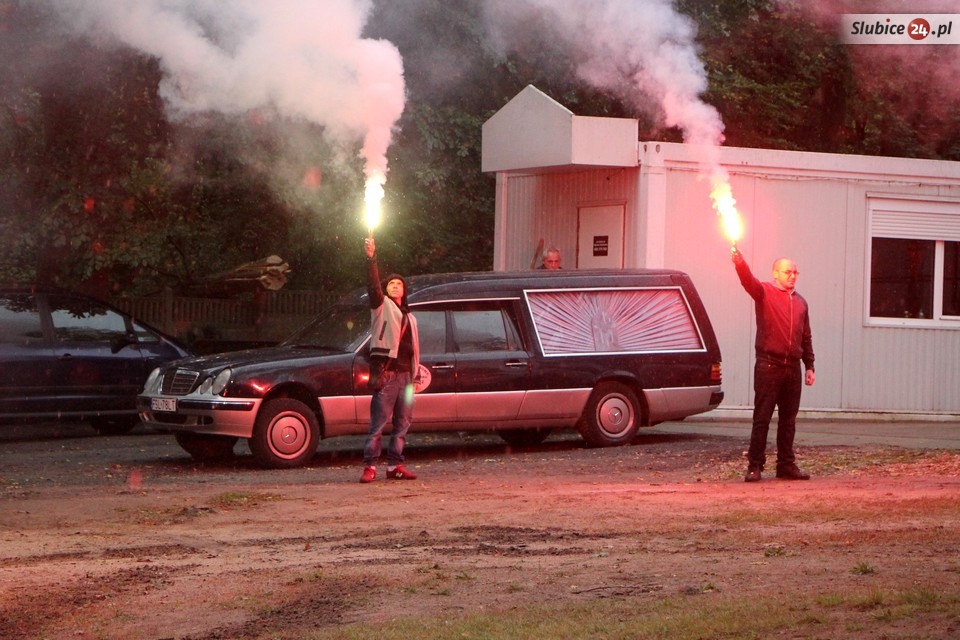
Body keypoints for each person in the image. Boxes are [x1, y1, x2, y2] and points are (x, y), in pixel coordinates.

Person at [731, 247, 815, 482]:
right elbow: (748, 281)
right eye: (788, 272)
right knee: (762, 418)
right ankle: (755, 466)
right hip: (768, 366)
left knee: (788, 420)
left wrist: (809, 365)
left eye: (795, 272)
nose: (792, 276)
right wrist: (739, 262)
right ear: (775, 273)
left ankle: (786, 465)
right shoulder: (764, 292)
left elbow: (806, 336)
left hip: (792, 369)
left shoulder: (801, 303)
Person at [360, 236, 420, 483]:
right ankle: (370, 466)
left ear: (404, 290)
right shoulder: (381, 306)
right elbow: (373, 285)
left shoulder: (411, 317)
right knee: (378, 424)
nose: (395, 286)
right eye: (391, 283)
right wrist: (371, 258)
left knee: (403, 423)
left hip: (407, 377)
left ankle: (395, 465)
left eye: (399, 284)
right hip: (387, 374)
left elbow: (415, 350)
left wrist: (415, 376)